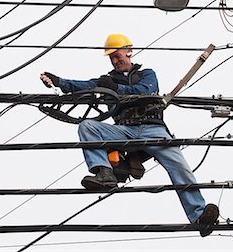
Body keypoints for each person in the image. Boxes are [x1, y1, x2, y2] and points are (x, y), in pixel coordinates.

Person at [40, 34, 219, 236]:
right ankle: (104, 173)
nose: (116, 61)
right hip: (124, 131)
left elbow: (145, 91)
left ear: (128, 51)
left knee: (180, 167)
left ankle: (199, 215)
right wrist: (58, 82)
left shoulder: (146, 74)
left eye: (118, 56)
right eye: (112, 58)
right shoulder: (107, 80)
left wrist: (115, 89)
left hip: (154, 130)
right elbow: (83, 86)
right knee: (87, 126)